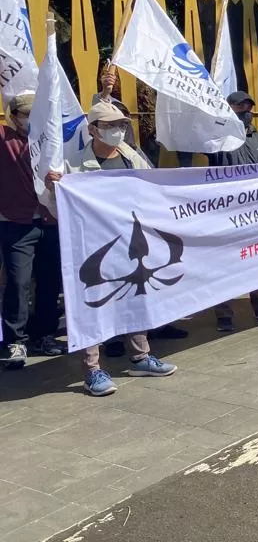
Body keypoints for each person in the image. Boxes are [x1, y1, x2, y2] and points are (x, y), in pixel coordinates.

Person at [57, 102, 178, 396]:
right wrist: (54, 188)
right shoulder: (72, 164)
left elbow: (151, 189)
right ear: (93, 130)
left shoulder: (131, 157)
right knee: (93, 304)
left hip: (129, 242)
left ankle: (140, 356)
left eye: (121, 125)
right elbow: (56, 206)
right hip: (91, 246)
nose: (117, 131)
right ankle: (93, 371)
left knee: (135, 297)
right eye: (110, 126)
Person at [0, 93, 64, 367]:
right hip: (16, 222)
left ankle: (44, 335)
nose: (29, 119)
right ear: (12, 115)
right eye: (24, 114)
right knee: (18, 282)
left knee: (49, 281)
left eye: (33, 114)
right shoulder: (4, 139)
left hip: (49, 219)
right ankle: (15, 341)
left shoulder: (50, 140)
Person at [207, 90, 258, 329]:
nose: (245, 112)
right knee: (225, 265)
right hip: (227, 214)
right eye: (239, 107)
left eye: (248, 107)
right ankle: (224, 314)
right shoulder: (217, 141)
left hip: (257, 213)